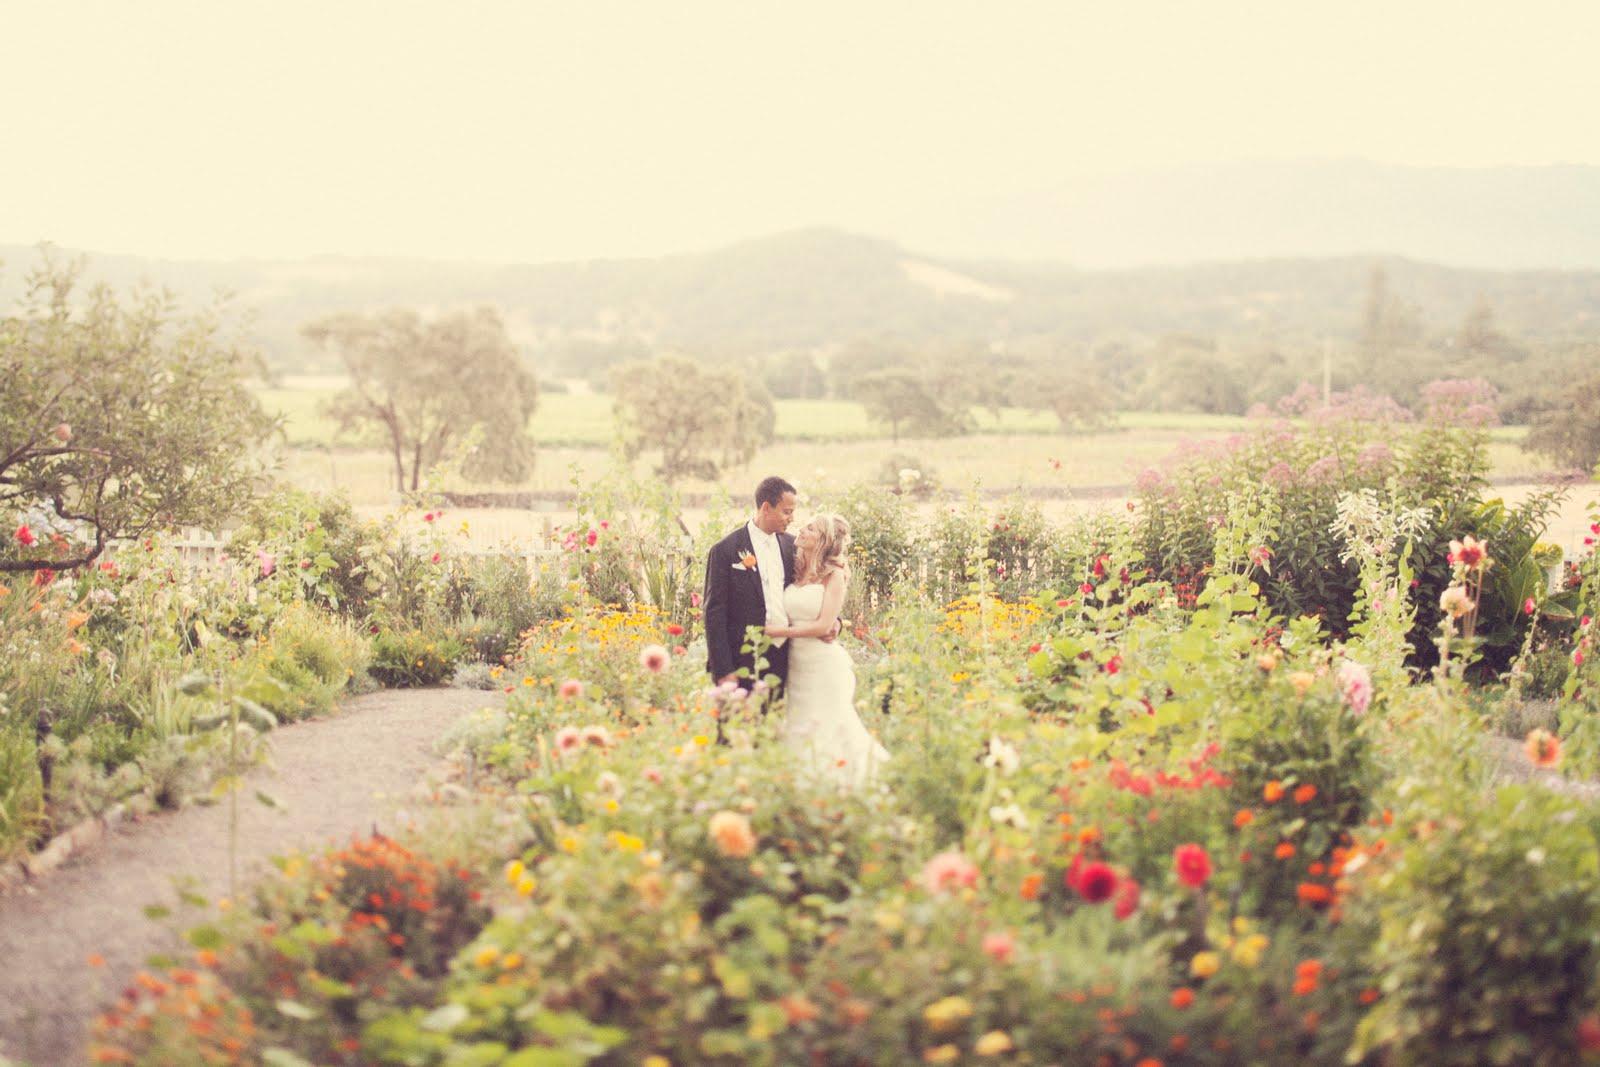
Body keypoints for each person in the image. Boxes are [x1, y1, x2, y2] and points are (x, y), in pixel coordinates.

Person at [765, 513, 889, 787]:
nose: (802, 529)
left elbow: (823, 625)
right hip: (797, 667)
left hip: (823, 665)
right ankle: (805, 785)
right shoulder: (795, 565)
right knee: (801, 724)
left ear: (822, 540)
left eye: (810, 528)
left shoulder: (834, 575)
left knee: (830, 725)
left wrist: (777, 632)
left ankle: (844, 783)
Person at [702, 476, 799, 694]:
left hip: (787, 657)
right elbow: (714, 612)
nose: (791, 518)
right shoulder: (725, 550)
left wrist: (835, 621)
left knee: (778, 724)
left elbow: (812, 587)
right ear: (766, 508)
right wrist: (723, 669)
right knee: (740, 725)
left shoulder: (793, 546)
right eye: (787, 511)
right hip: (742, 660)